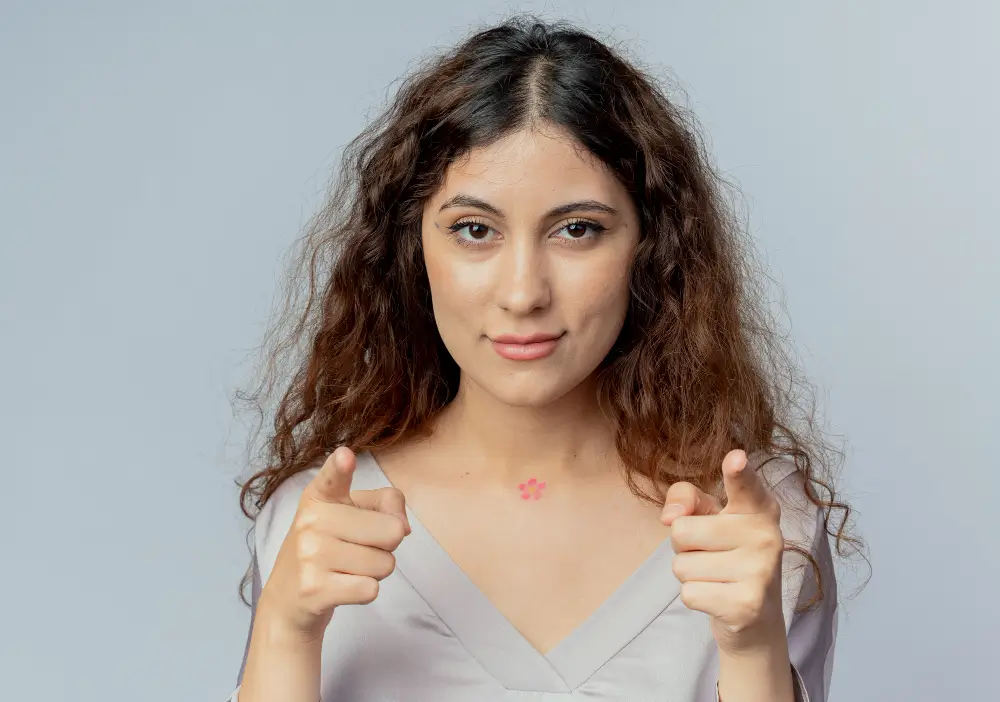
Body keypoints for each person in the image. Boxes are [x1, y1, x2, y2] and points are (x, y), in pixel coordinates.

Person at [227, 15, 856, 702]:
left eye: (577, 230)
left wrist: (752, 649)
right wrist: (286, 631)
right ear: (412, 249)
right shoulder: (316, 525)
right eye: (474, 230)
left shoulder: (759, 527)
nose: (523, 292)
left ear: (652, 247)